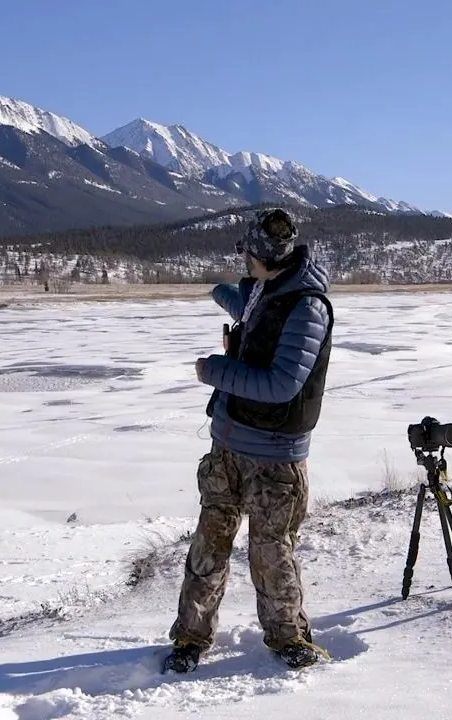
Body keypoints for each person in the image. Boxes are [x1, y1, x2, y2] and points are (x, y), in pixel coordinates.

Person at [163, 207, 335, 673]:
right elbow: (252, 310)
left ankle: (288, 639)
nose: (243, 261)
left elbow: (282, 384)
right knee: (209, 545)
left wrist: (214, 371)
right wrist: (219, 292)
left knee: (271, 551)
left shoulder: (307, 307)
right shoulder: (269, 293)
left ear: (261, 255)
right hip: (228, 446)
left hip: (275, 456)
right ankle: (190, 638)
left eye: (246, 253)